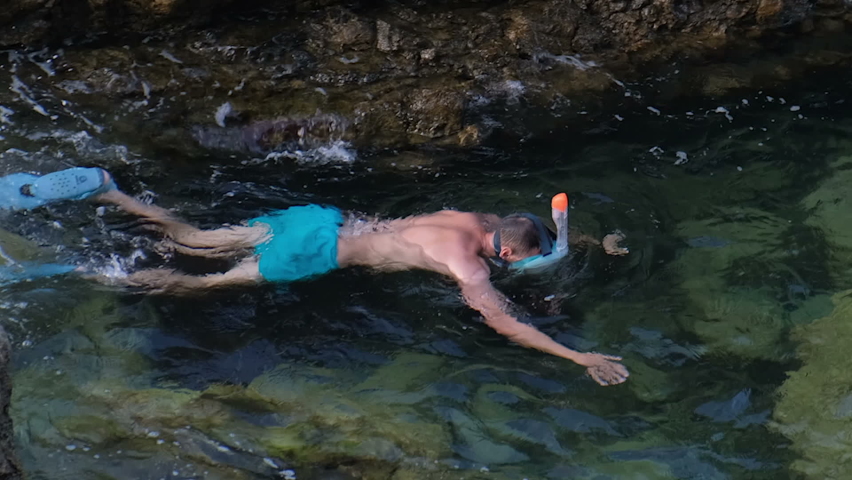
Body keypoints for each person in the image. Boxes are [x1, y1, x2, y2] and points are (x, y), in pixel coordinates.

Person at [85, 169, 630, 386]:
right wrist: (578, 357)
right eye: (515, 260)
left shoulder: (478, 221)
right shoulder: (468, 267)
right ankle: (98, 279)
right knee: (205, 284)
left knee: (196, 240)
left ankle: (110, 191)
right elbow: (504, 323)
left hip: (320, 218)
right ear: (506, 252)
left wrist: (588, 243)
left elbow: (538, 239)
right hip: (317, 253)